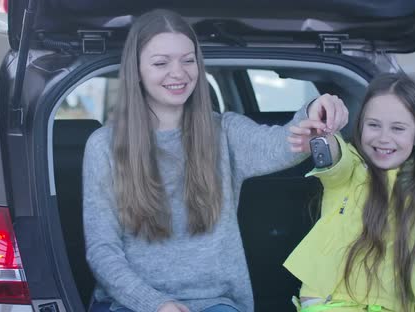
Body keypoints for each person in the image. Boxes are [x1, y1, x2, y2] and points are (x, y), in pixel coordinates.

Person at [82, 9, 348, 312]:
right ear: (136, 69)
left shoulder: (225, 131)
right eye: (160, 62)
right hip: (129, 304)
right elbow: (102, 251)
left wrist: (316, 108)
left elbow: (282, 143)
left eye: (188, 60)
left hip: (217, 303)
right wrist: (155, 305)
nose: (178, 73)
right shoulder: (103, 145)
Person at [284, 73, 415, 311]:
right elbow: (336, 163)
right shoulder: (352, 164)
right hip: (331, 301)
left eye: (398, 128)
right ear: (360, 125)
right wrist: (324, 141)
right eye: (373, 125)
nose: (383, 138)